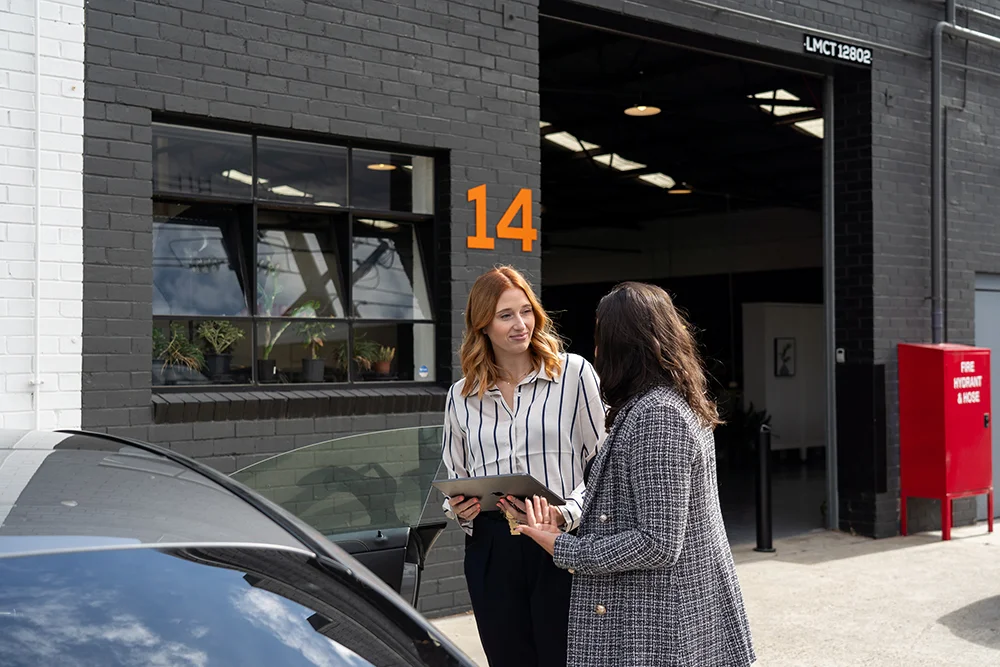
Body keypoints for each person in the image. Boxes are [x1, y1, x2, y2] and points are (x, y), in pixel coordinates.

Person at [517, 281, 756, 667]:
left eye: (600, 337)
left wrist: (564, 547)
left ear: (621, 345)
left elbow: (659, 541)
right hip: (664, 615)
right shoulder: (658, 404)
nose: (595, 351)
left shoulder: (658, 415)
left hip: (663, 624)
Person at [440, 266, 606, 667]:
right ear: (482, 326)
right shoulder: (461, 395)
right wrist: (459, 510)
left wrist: (566, 514)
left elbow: (603, 466)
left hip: (559, 543)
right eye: (505, 315)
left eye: (526, 311)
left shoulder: (573, 374)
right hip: (491, 546)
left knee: (565, 659)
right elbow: (456, 474)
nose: (521, 324)